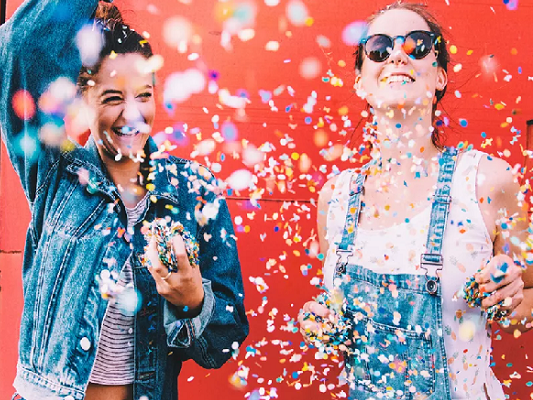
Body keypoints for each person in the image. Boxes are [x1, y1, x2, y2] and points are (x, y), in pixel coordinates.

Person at [0, 1, 249, 399]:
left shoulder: (195, 190)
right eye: (113, 97)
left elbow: (225, 340)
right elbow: (18, 51)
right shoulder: (56, 174)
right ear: (84, 98)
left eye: (144, 95)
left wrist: (193, 302)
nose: (131, 114)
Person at [298, 3, 532, 400]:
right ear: (361, 82)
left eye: (418, 45)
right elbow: (337, 316)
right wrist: (320, 323)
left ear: (440, 77)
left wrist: (512, 299)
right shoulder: (335, 197)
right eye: (378, 47)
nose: (397, 55)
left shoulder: (486, 180)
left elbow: (528, 293)